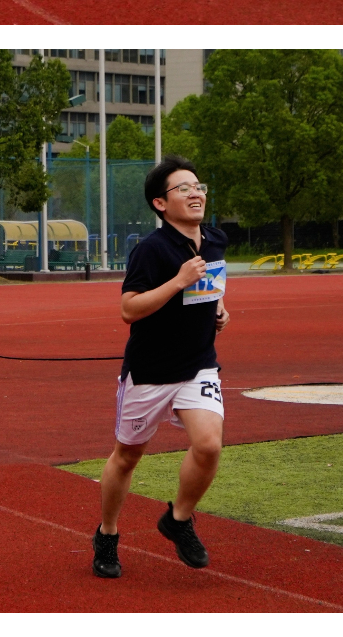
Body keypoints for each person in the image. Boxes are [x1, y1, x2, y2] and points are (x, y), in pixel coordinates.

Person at [91, 155, 230, 579]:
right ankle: (107, 533)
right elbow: (129, 309)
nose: (196, 193)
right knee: (126, 457)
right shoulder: (151, 250)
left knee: (209, 445)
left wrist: (219, 308)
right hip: (150, 372)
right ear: (160, 203)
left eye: (198, 186)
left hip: (199, 366)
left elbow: (211, 286)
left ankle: (178, 519)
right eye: (183, 188)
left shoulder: (215, 239)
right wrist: (178, 281)